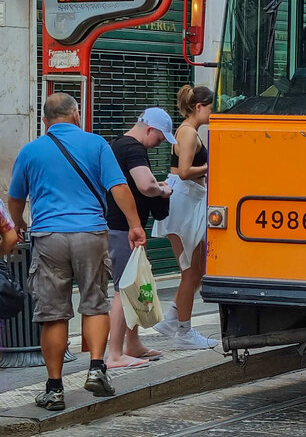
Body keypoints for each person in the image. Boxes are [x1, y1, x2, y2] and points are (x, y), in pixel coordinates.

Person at [6, 93, 146, 411]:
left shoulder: (31, 150)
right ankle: (97, 369)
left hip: (49, 236)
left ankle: (54, 390)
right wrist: (135, 225)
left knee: (53, 314)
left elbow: (15, 197)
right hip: (91, 234)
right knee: (95, 304)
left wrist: (19, 223)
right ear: (76, 114)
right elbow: (119, 187)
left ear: (45, 121)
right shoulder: (96, 144)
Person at [105, 109, 176, 368]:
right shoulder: (134, 148)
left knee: (131, 285)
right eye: (159, 137)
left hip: (119, 225)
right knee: (123, 289)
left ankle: (132, 344)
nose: (160, 143)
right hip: (123, 227)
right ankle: (114, 354)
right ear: (149, 129)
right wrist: (163, 189)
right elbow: (145, 185)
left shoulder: (116, 144)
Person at [153, 85, 218, 349]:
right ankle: (184, 332)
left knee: (196, 269)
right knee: (191, 271)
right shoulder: (189, 133)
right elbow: (183, 171)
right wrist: (212, 164)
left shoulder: (188, 131)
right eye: (211, 108)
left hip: (189, 201)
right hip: (185, 201)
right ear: (199, 107)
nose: (213, 113)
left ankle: (172, 320)